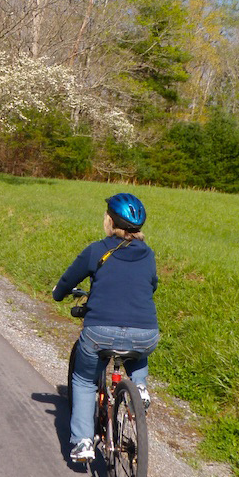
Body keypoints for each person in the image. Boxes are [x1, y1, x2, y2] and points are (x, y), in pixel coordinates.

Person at [52, 193, 159, 463]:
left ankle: (83, 441)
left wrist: (58, 293)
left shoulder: (97, 250)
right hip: (146, 333)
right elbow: (152, 285)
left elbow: (68, 279)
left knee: (84, 380)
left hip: (100, 332)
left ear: (110, 221)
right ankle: (140, 386)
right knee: (139, 346)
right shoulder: (148, 255)